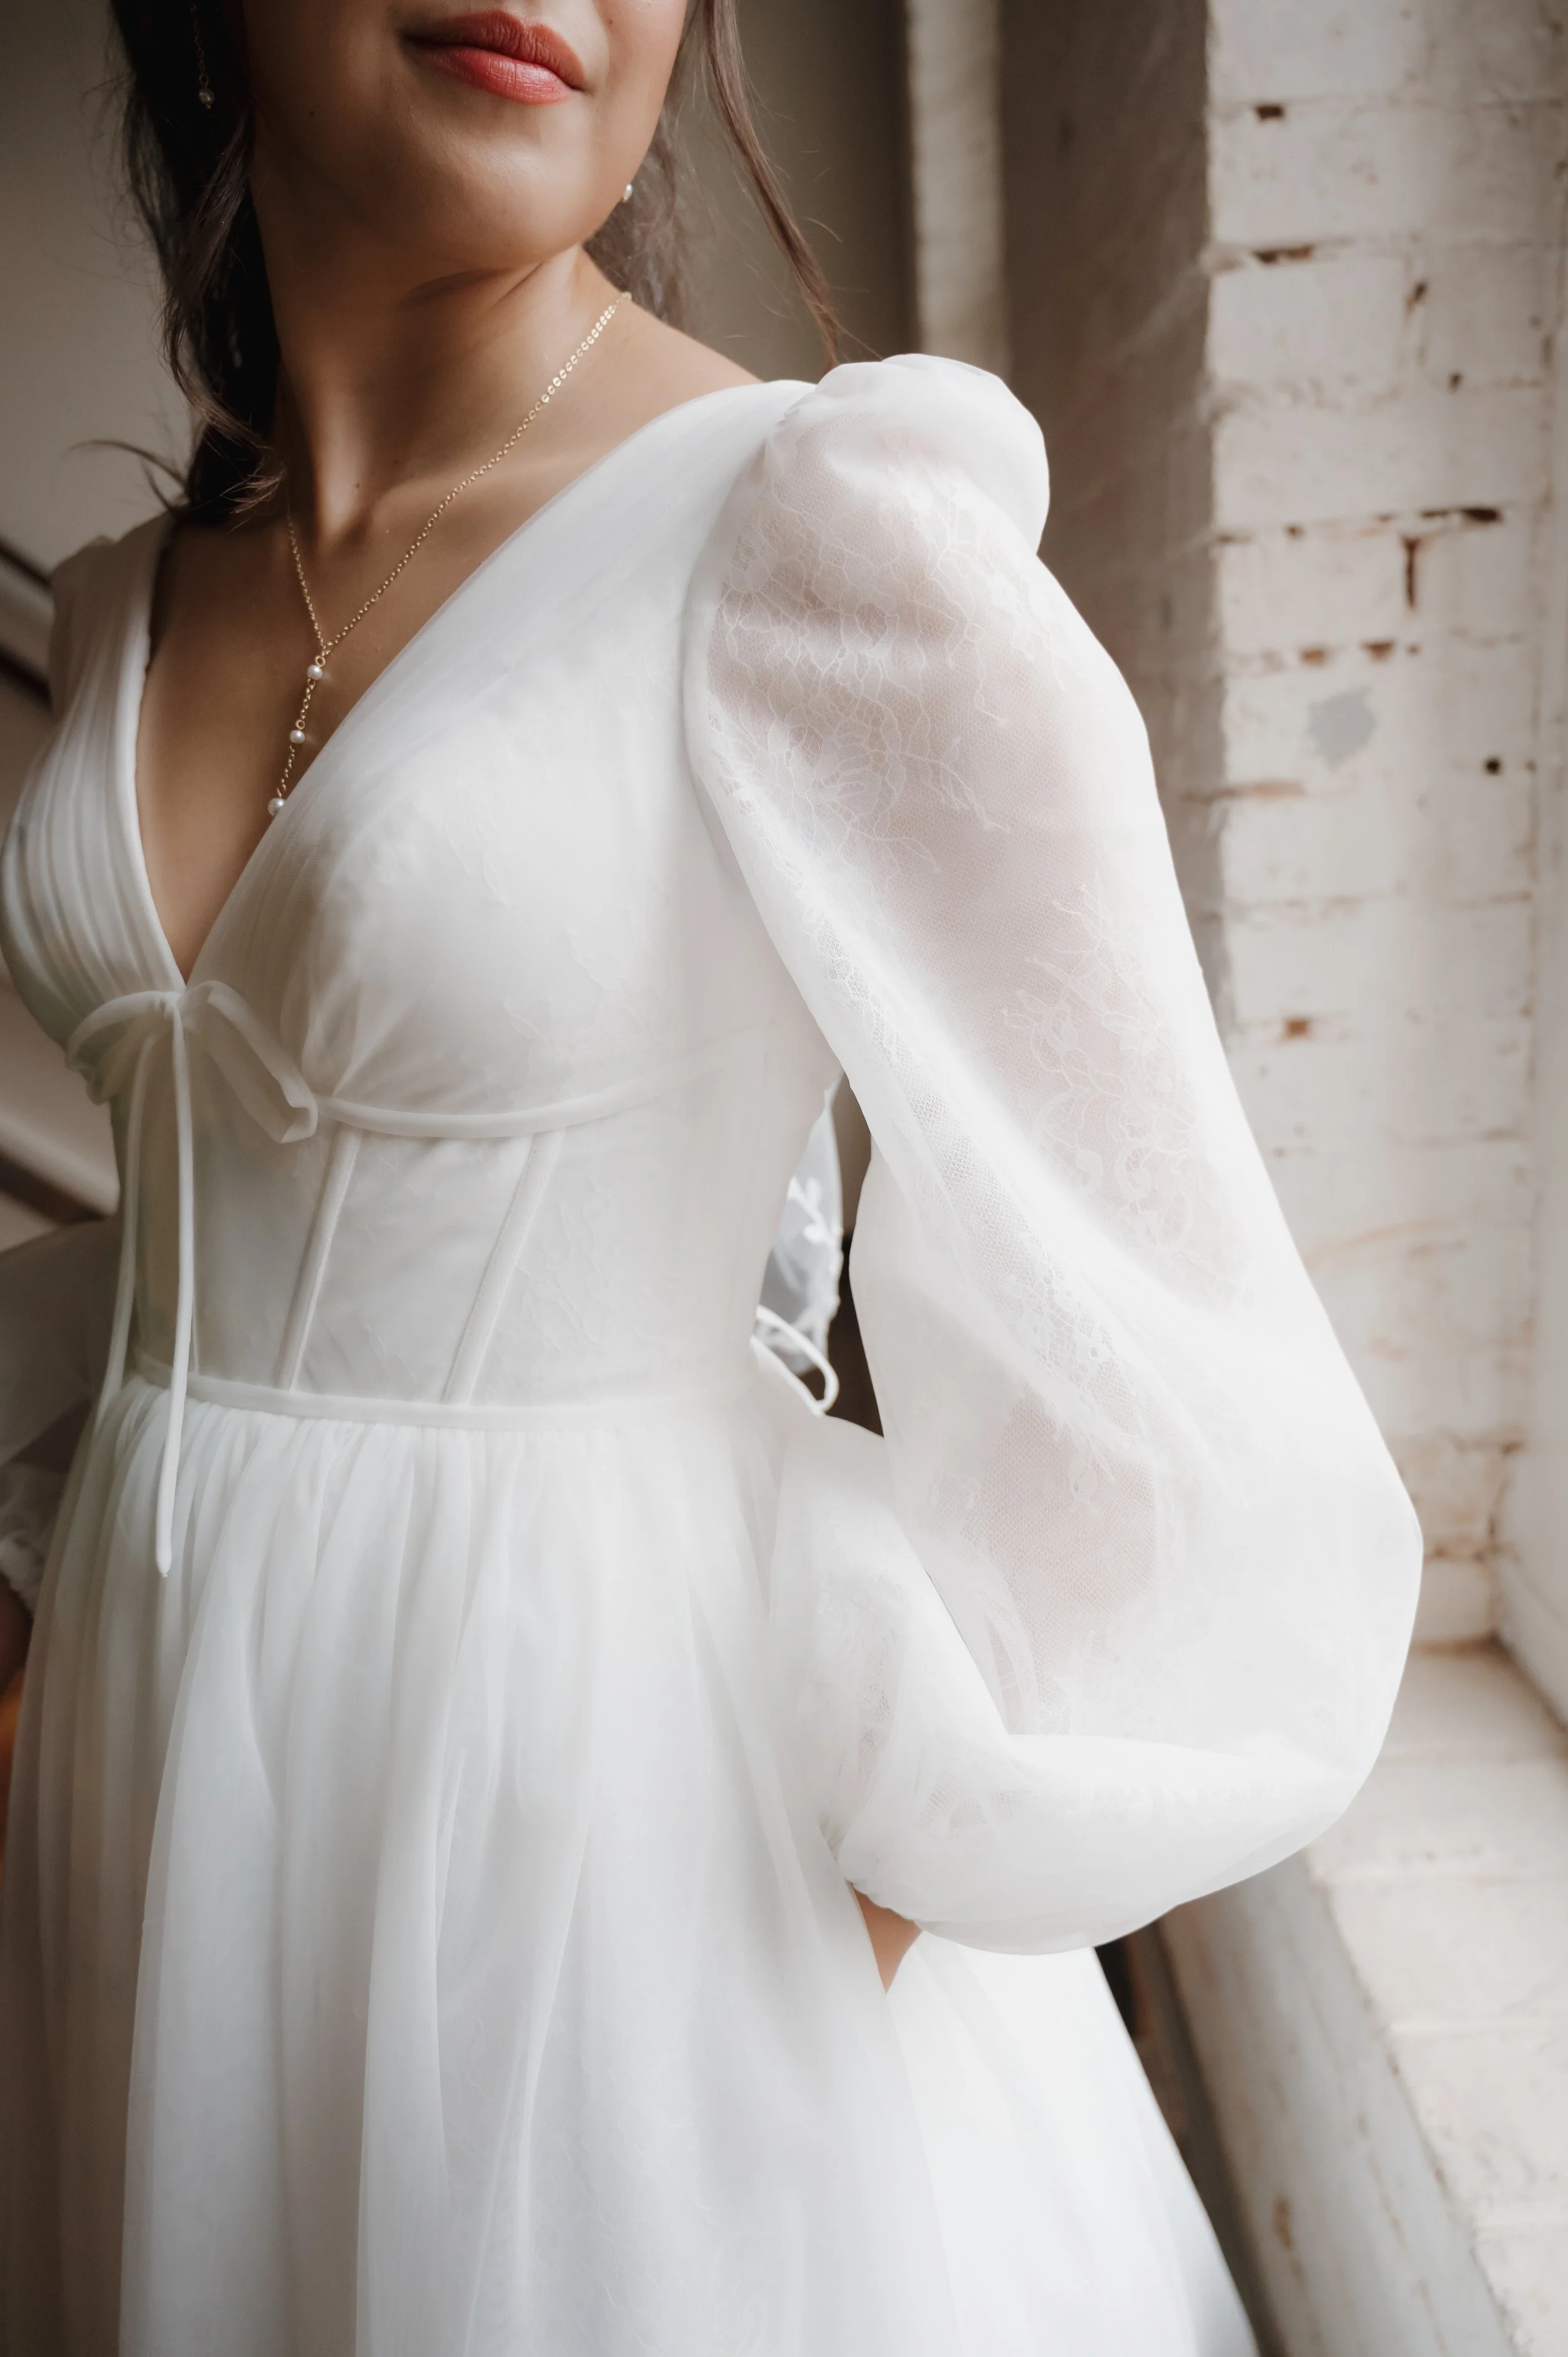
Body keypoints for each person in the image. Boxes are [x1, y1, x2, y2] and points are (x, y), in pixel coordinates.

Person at [0, 2, 1422, 2349]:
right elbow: (194, 1236)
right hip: (158, 1867)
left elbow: (1176, 1389)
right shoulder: (107, 611)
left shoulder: (807, 527)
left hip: (610, 1910)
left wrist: (751, 1973)